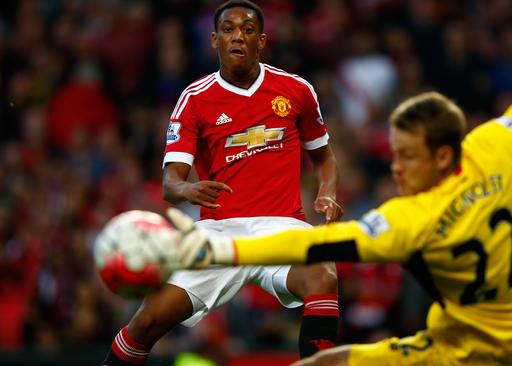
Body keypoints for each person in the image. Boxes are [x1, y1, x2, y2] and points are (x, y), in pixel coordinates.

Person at [171, 0, 512, 364]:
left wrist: (223, 251)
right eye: (396, 155)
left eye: (408, 157)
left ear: (442, 155)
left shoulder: (410, 219)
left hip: (466, 350)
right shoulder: (497, 146)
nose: (396, 168)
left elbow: (310, 243)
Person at [102, 1, 343, 365]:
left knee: (323, 276)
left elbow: (324, 157)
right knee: (148, 321)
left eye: (247, 30)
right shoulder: (195, 99)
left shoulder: (296, 90)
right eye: (228, 29)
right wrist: (186, 189)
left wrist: (326, 192)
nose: (237, 37)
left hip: (281, 226)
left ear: (261, 41)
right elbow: (170, 183)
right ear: (214, 40)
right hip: (218, 233)